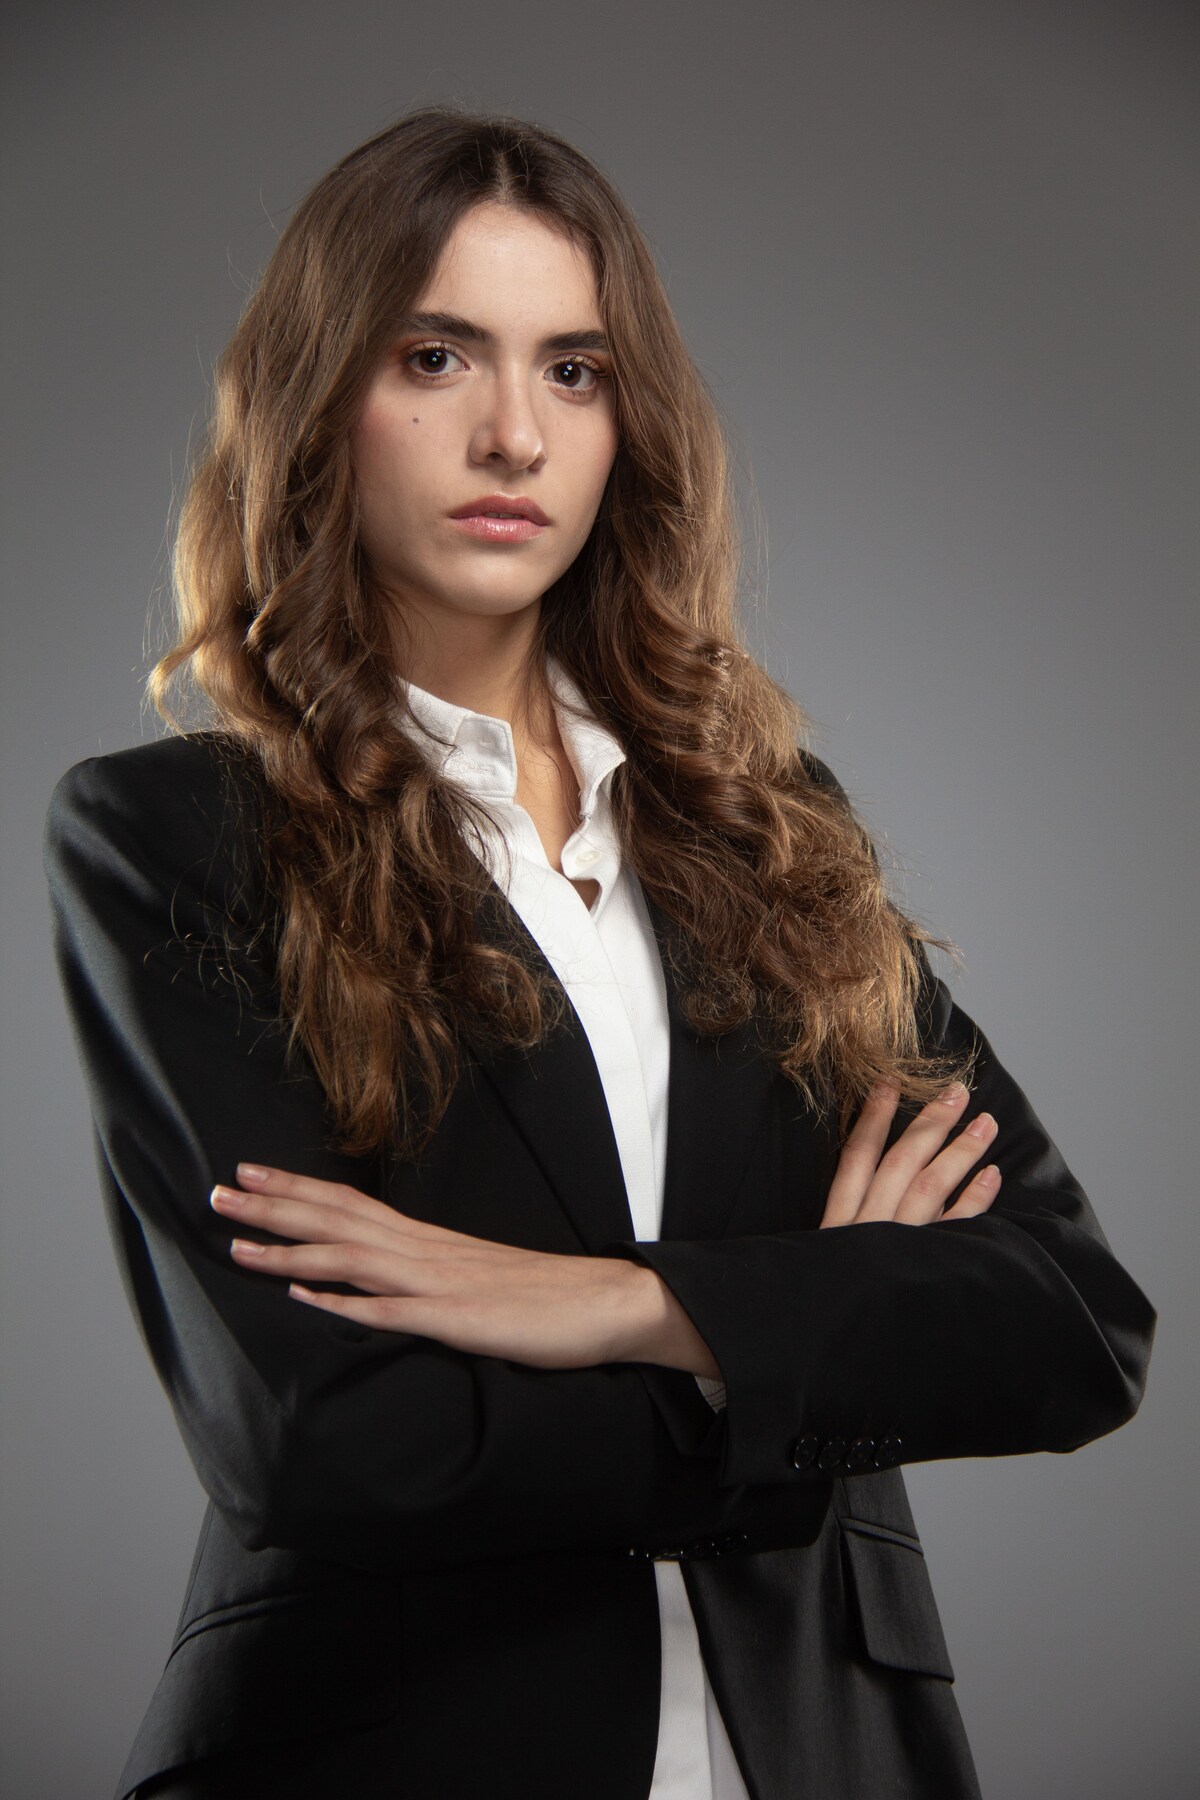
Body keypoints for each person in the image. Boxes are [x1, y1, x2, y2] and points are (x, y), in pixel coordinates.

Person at [43, 108, 1155, 1800]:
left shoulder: (767, 826)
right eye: (435, 357)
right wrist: (798, 1341)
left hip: (828, 1750)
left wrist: (618, 1304)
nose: (513, 433)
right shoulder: (180, 837)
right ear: (316, 397)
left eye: (574, 371)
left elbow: (1072, 1322)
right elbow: (330, 1445)